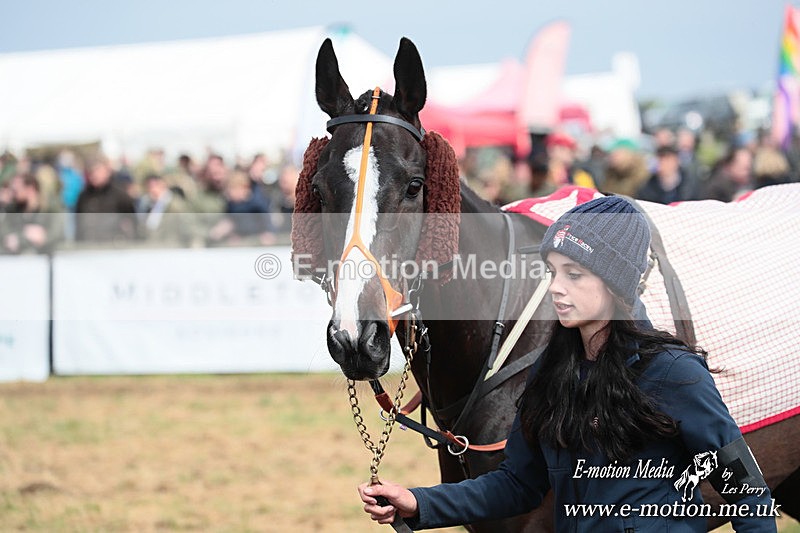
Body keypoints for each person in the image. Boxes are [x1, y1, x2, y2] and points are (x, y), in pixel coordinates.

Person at [358, 196, 775, 532]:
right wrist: (419, 502)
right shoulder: (550, 372)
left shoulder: (672, 372)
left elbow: (746, 492)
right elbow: (517, 484)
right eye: (552, 273)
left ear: (614, 283)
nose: (555, 288)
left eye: (573, 274)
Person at [636, 145, 700, 204]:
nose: (666, 165)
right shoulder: (648, 186)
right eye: (662, 161)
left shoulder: (689, 184)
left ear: (677, 161)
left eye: (669, 160)